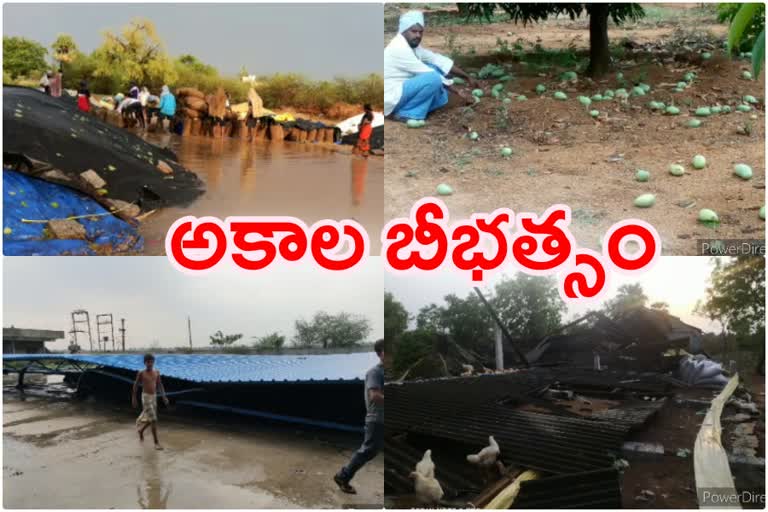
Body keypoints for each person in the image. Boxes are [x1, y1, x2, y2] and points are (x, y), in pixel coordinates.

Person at [384, 10, 475, 122]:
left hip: (402, 90)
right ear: (403, 31)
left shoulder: (412, 46)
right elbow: (429, 74)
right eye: (414, 31)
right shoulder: (398, 48)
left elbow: (437, 59)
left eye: (420, 32)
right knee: (433, 78)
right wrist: (455, 90)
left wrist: (466, 77)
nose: (418, 35)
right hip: (389, 96)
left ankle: (418, 107)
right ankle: (406, 113)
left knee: (433, 68)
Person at [334, 339, 385, 494]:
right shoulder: (375, 372)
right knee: (368, 450)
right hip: (377, 419)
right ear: (380, 353)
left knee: (371, 450)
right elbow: (375, 396)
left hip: (384, 418)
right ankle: (343, 476)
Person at [132, 353, 169, 450]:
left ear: (154, 362)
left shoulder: (157, 372)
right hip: (146, 397)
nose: (150, 364)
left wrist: (164, 396)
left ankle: (141, 430)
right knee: (154, 419)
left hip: (154, 397)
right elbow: (135, 385)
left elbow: (160, 385)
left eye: (152, 362)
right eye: (148, 362)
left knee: (152, 419)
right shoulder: (141, 373)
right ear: (144, 363)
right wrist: (134, 398)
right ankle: (156, 443)